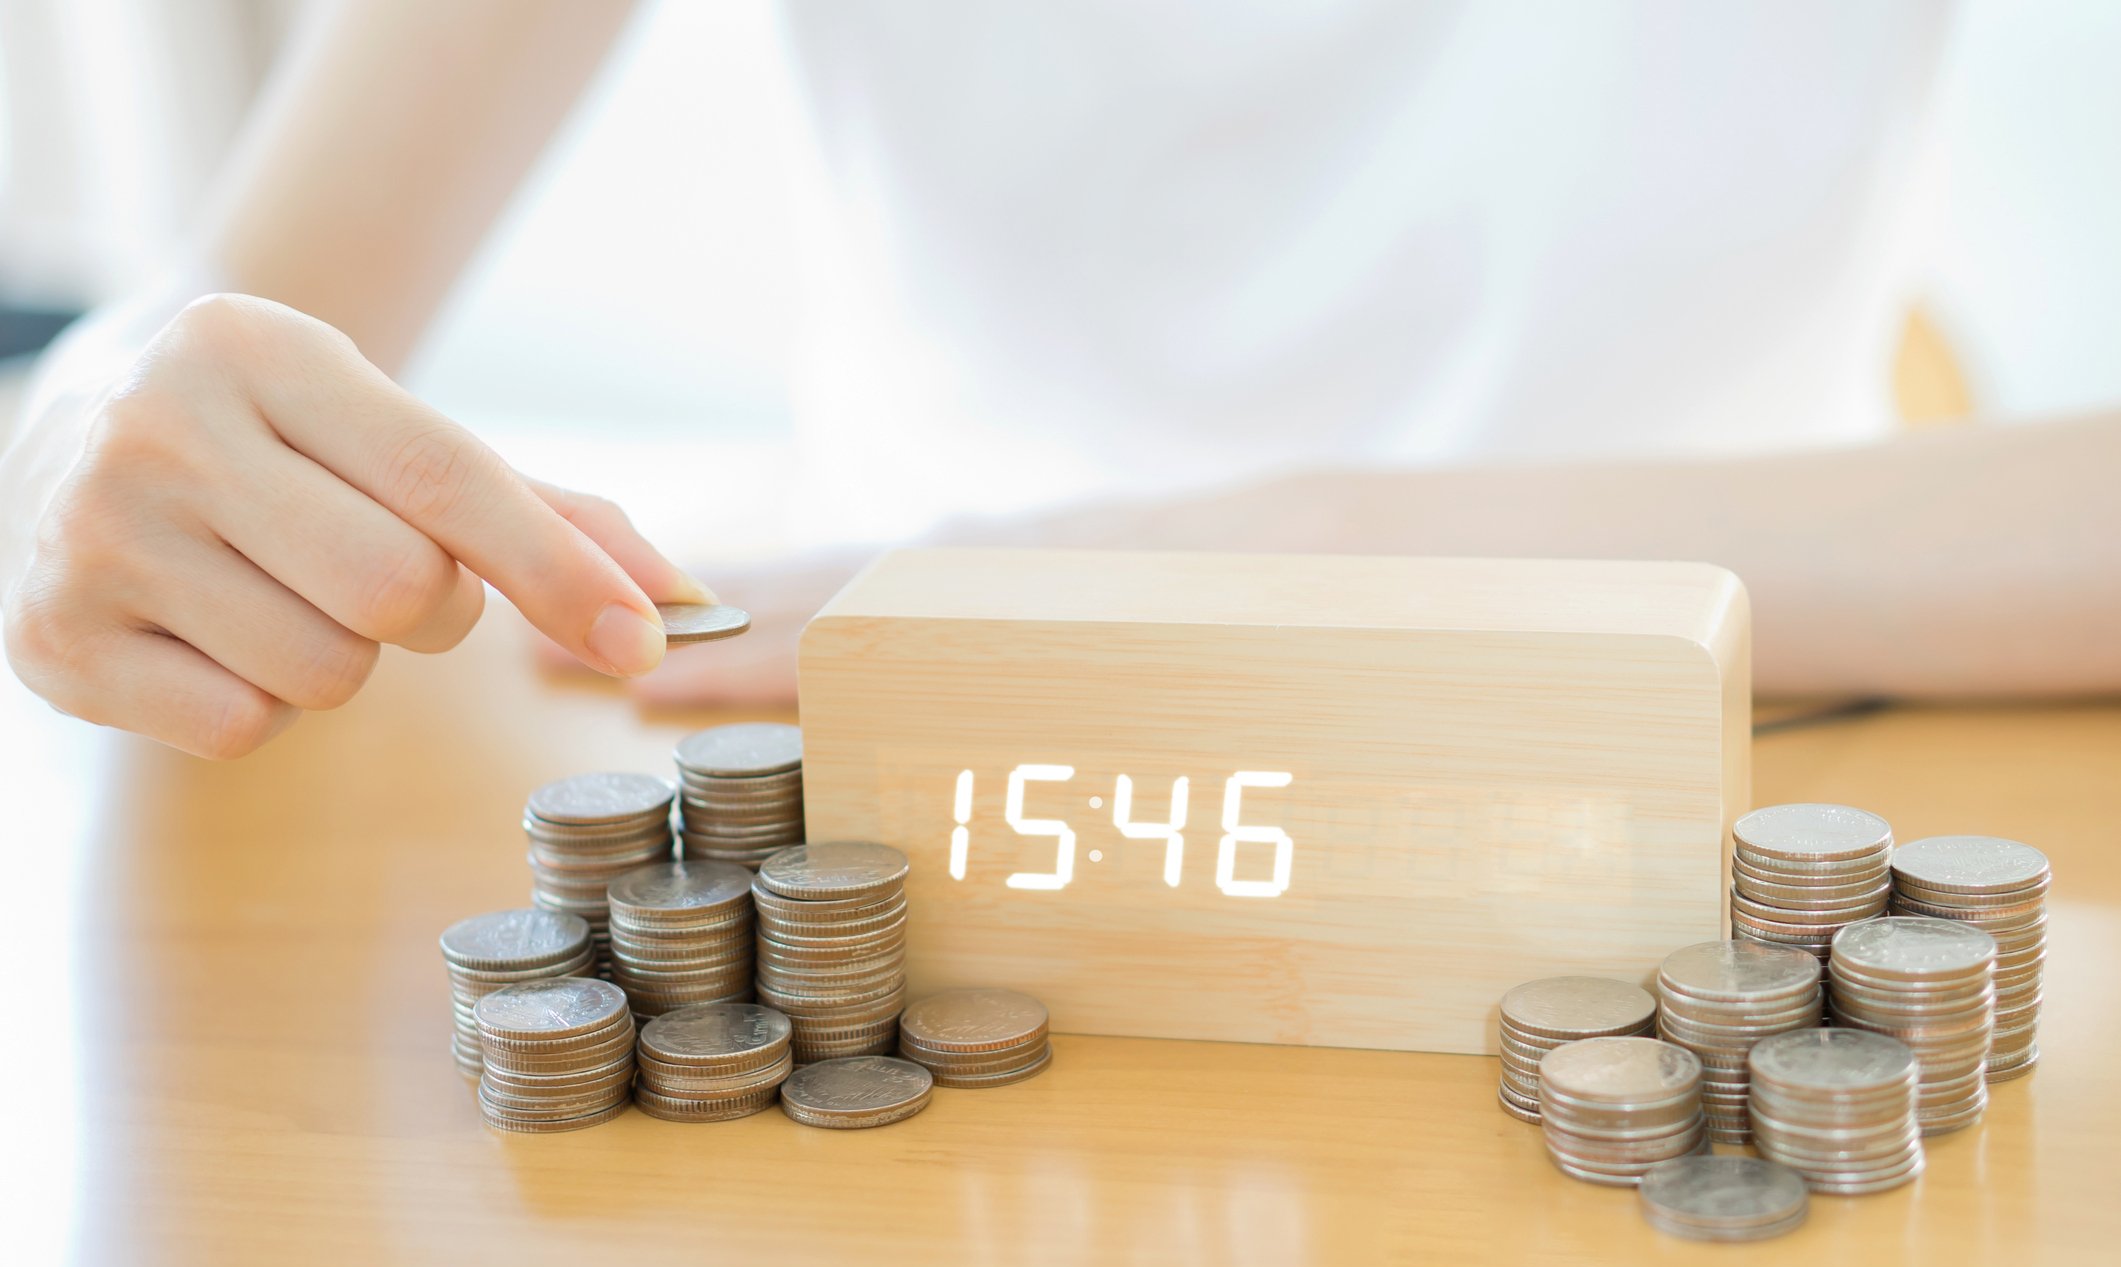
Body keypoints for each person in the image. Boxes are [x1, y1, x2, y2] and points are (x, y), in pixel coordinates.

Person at [2, 0, 2116, 760]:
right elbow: (211, 328)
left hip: (1766, 698)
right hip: (903, 716)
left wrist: (1284, 541)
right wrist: (91, 427)